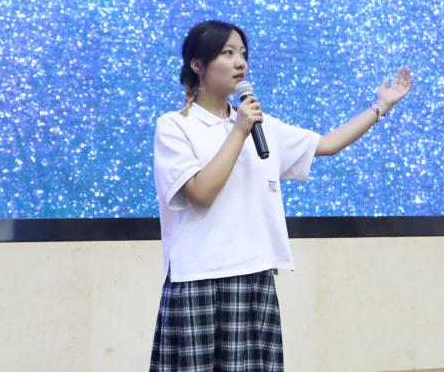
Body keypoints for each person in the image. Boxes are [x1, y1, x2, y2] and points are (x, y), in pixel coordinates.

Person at [150, 20, 413, 371]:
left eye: (243, 53)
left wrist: (380, 107)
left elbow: (327, 144)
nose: (240, 62)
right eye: (227, 53)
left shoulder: (261, 124)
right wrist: (239, 131)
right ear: (197, 64)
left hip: (254, 273)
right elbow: (201, 192)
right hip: (199, 277)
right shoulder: (176, 125)